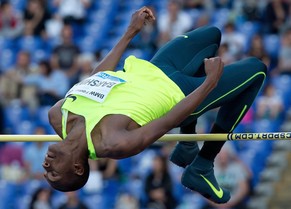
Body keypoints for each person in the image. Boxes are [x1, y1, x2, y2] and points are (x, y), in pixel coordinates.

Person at [43, 7, 267, 205]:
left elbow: (97, 78)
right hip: (180, 93)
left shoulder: (57, 115)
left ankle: (187, 144)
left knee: (212, 35)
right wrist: (210, 83)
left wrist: (131, 31)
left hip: (155, 68)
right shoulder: (113, 143)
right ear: (78, 168)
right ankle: (203, 166)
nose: (46, 167)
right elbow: (167, 121)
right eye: (53, 175)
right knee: (256, 69)